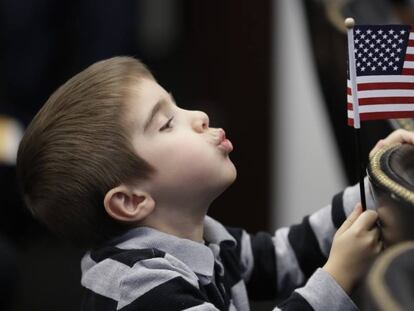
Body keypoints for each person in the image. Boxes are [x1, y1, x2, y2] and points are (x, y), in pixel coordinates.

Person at [16, 56, 412, 310]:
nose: (200, 115)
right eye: (167, 122)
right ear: (132, 200)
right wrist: (338, 277)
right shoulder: (141, 288)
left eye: (176, 104)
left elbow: (281, 257)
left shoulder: (203, 238)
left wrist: (374, 189)